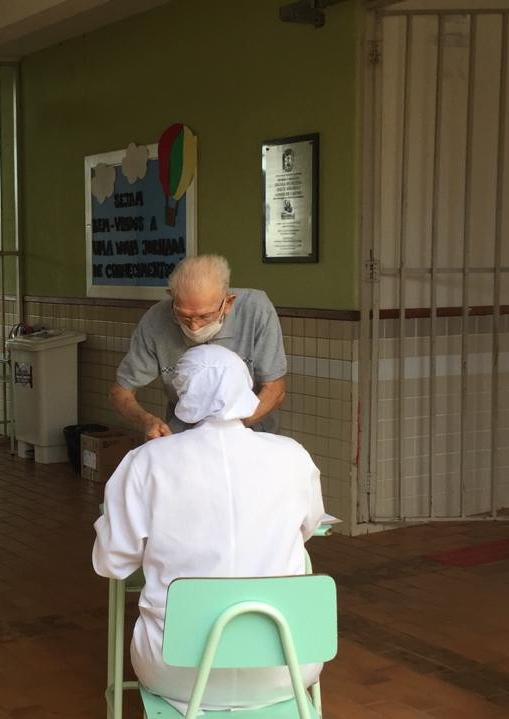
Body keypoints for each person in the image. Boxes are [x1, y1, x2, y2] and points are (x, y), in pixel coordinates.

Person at [93, 344, 325, 712]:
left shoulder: (147, 462)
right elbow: (308, 528)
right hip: (288, 667)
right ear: (244, 389)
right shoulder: (292, 455)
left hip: (175, 670)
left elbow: (111, 563)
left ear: (184, 394)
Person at [110, 254, 287, 440]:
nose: (194, 327)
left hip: (251, 432)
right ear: (171, 297)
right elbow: (120, 392)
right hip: (184, 436)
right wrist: (147, 421)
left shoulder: (256, 310)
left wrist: (229, 430)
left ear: (228, 302)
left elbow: (276, 389)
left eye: (204, 317)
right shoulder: (155, 320)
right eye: (184, 317)